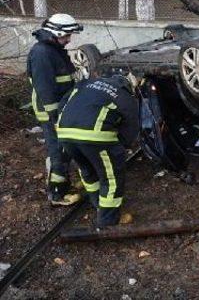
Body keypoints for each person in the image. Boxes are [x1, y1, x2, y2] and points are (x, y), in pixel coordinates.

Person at [57, 74, 140, 227]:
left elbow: (63, 102)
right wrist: (119, 146)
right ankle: (108, 221)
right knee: (111, 177)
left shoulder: (86, 84)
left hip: (64, 133)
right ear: (129, 86)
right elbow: (131, 127)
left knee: (87, 169)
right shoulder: (125, 96)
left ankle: (97, 204)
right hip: (96, 137)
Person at [26, 13, 83, 206]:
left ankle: (63, 182)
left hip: (61, 108)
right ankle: (56, 193)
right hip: (51, 111)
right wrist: (54, 115)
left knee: (65, 147)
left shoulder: (54, 49)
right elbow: (45, 89)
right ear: (55, 33)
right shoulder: (42, 53)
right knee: (58, 150)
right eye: (66, 36)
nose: (68, 40)